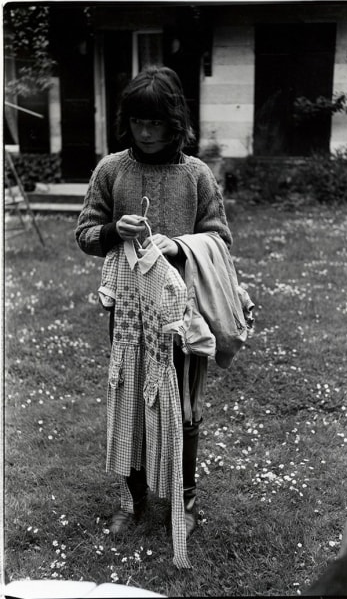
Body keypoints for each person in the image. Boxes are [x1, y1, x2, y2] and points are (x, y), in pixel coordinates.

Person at [75, 65, 232, 566]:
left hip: (181, 320)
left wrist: (181, 244)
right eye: (138, 122)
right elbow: (84, 231)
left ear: (174, 123)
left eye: (156, 123)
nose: (146, 132)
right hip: (128, 321)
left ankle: (183, 502)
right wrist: (111, 233)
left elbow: (221, 240)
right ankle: (134, 498)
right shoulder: (111, 170)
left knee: (182, 412)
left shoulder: (196, 175)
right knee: (132, 407)